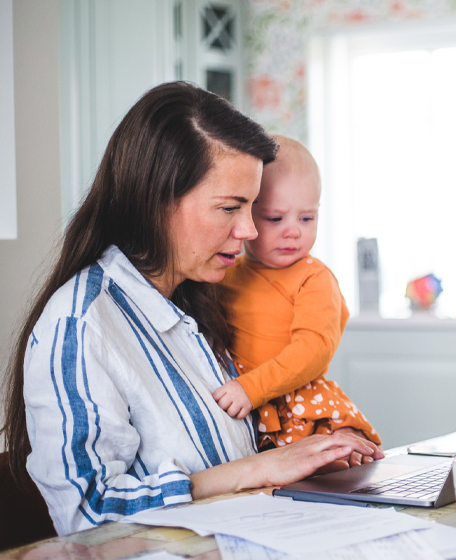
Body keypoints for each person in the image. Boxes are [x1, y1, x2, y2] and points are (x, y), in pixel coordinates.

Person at [1, 82, 382, 536]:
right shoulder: (81, 325)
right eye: (229, 208)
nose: (246, 230)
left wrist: (319, 445)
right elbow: (89, 513)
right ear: (157, 199)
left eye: (252, 208)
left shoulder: (203, 297)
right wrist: (255, 469)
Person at [212, 137, 381, 456]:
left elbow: (313, 350)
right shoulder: (227, 273)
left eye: (307, 218)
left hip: (300, 406)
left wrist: (252, 387)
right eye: (276, 218)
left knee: (332, 464)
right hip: (247, 409)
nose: (293, 231)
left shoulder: (315, 278)